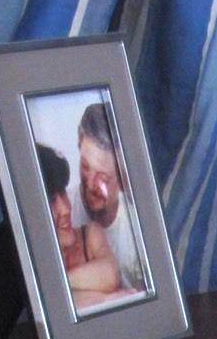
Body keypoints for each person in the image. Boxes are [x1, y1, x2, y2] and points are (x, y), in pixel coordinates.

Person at [36, 142, 123, 313]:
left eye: (63, 193)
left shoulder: (90, 234)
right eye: (51, 200)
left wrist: (56, 284)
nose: (66, 209)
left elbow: (111, 274)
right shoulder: (36, 264)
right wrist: (105, 299)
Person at [72, 102, 146, 294]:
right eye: (85, 167)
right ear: (80, 142)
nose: (90, 184)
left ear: (124, 180)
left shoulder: (139, 231)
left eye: (103, 178)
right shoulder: (62, 213)